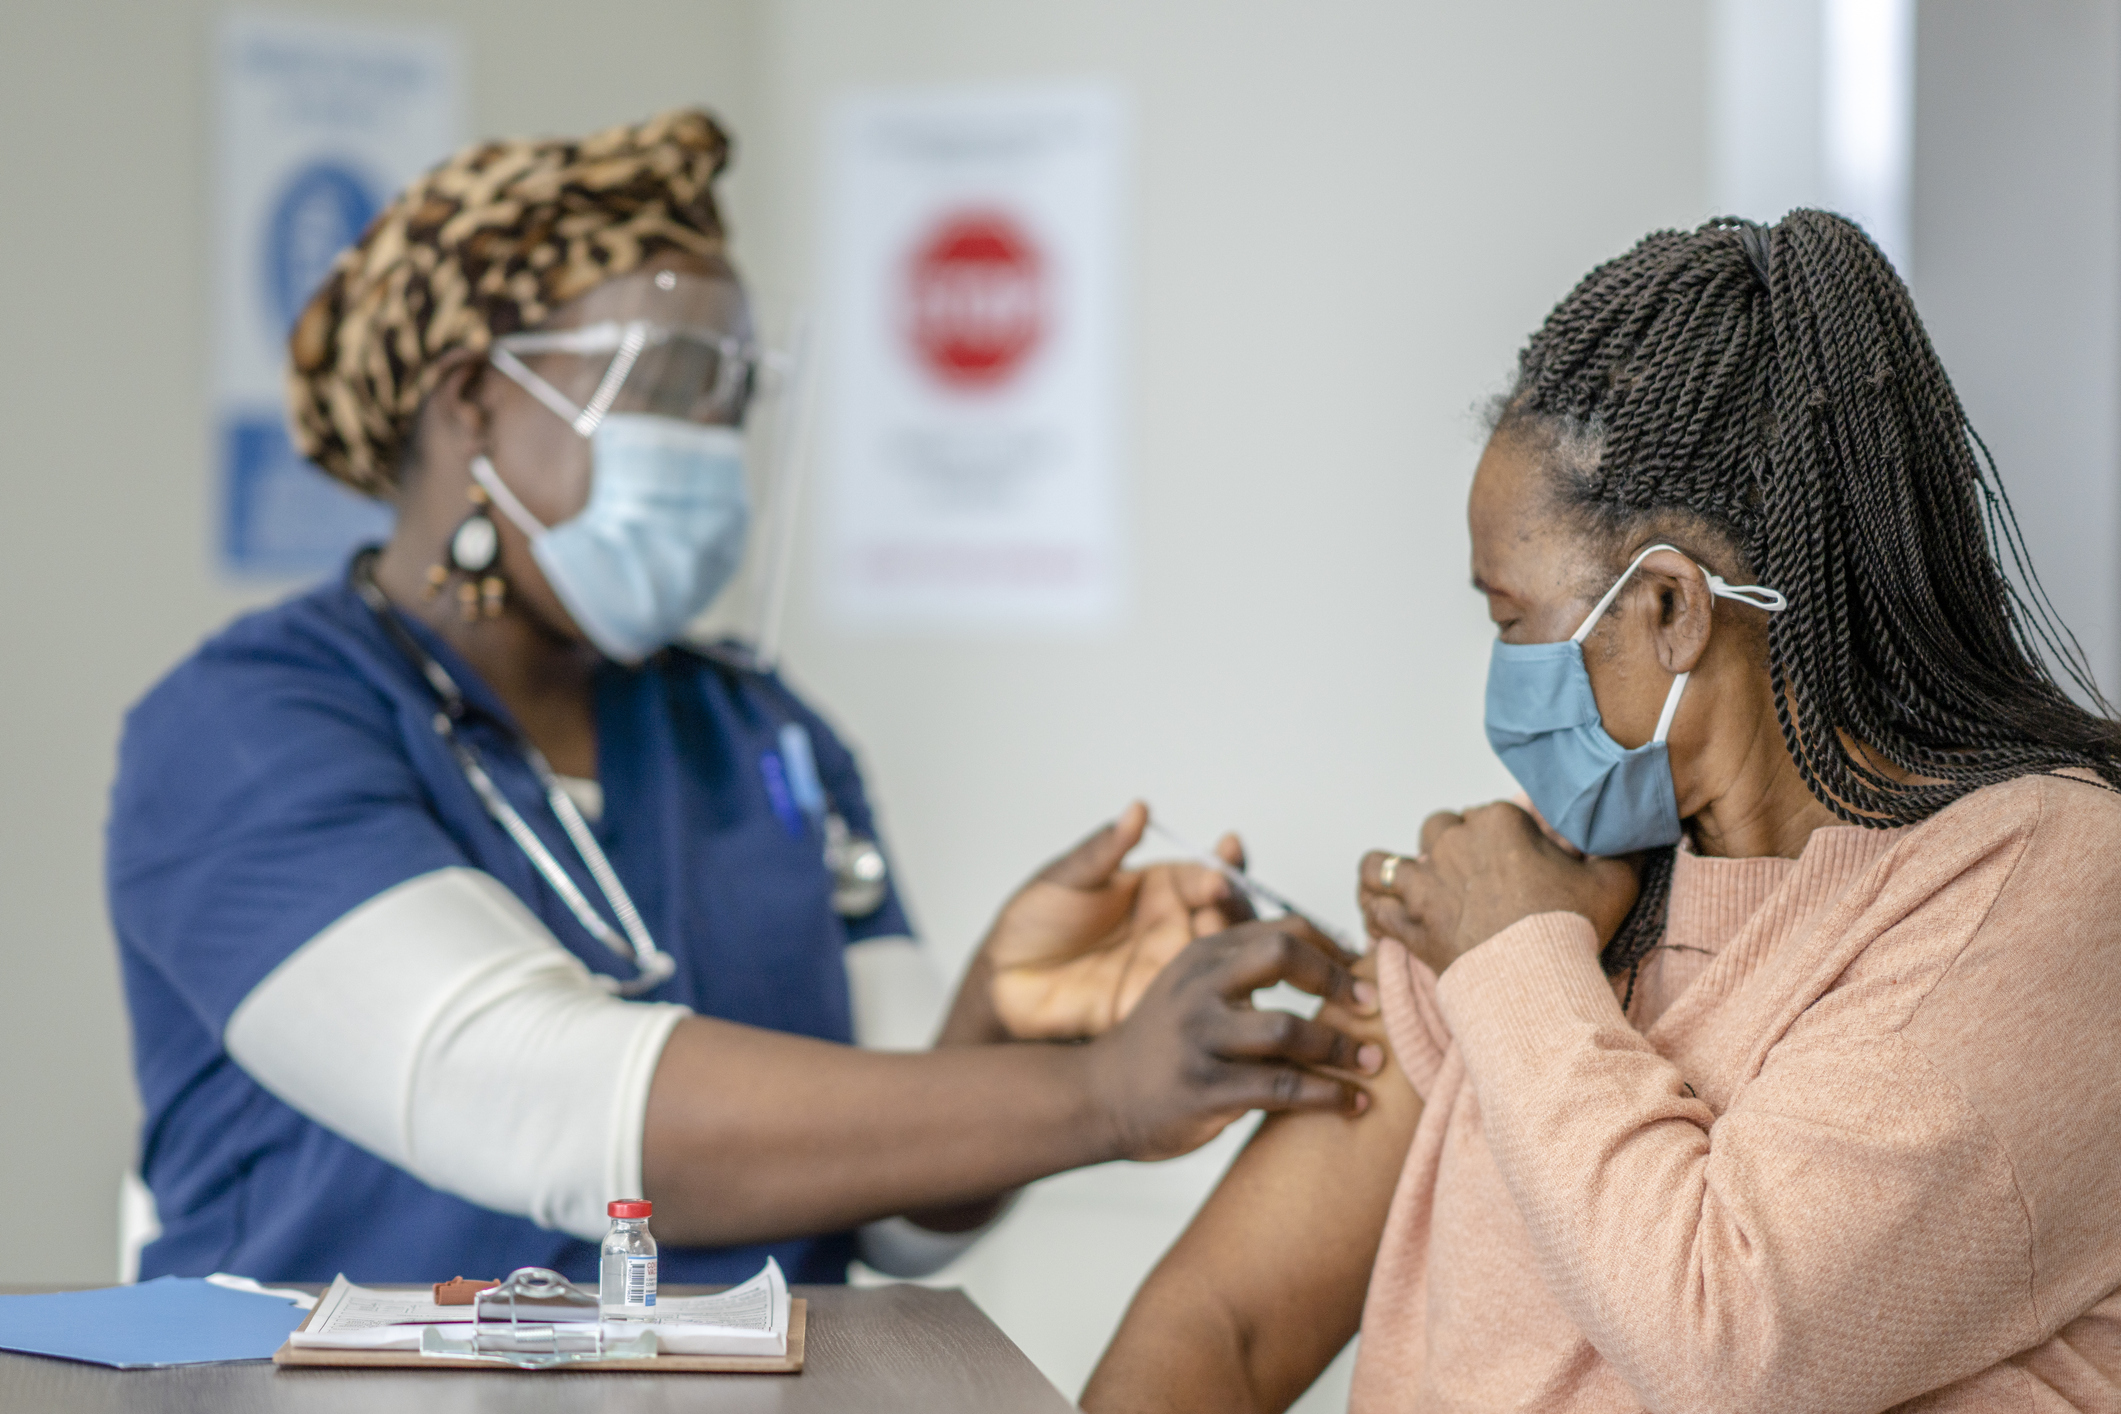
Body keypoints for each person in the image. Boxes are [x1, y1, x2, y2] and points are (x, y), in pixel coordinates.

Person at [107, 109, 1379, 1287]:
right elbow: (545, 1105)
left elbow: (896, 1213)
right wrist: (1100, 1094)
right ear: (472, 400)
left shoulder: (758, 729)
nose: (708, 439)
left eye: (731, 393)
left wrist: (1003, 1017)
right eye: (664, 384)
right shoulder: (243, 733)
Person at [1084, 211, 2121, 1413]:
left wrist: (1520, 958)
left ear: (1673, 609)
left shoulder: (2042, 886)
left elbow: (1726, 1344)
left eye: (1511, 617)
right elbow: (1223, 1323)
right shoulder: (1547, 883)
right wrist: (1511, 940)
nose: (1502, 673)